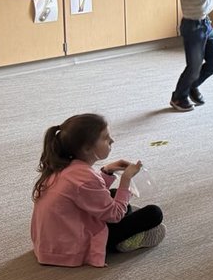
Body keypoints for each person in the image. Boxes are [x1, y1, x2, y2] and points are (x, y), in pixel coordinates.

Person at [30, 114, 165, 266]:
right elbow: (114, 215)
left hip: (54, 240)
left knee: (114, 196)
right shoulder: (86, 177)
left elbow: (85, 194)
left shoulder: (64, 165)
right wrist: (126, 179)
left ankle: (122, 227)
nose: (112, 140)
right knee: (154, 213)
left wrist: (107, 171)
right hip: (72, 247)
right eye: (106, 138)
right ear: (87, 148)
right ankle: (118, 244)